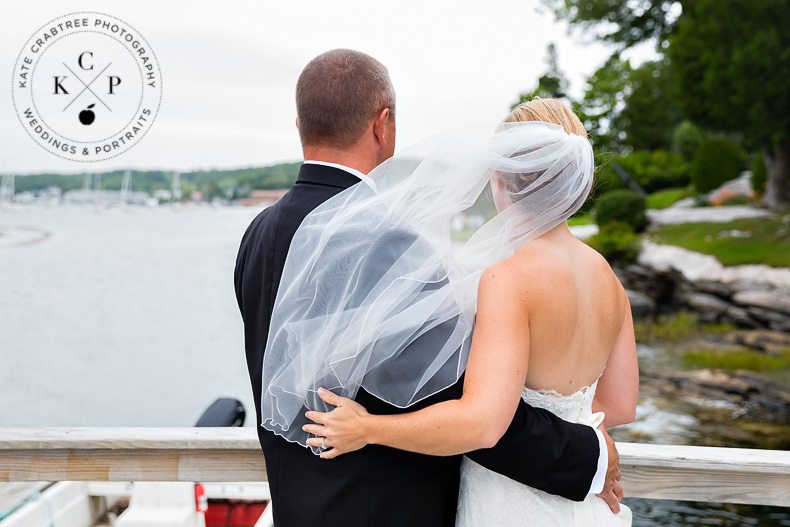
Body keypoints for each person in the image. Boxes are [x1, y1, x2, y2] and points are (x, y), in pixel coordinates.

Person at [234, 49, 621, 527]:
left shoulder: (257, 235)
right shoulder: (388, 243)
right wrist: (586, 456)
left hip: (295, 509)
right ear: (383, 125)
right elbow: (464, 404)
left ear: (300, 125)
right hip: (385, 513)